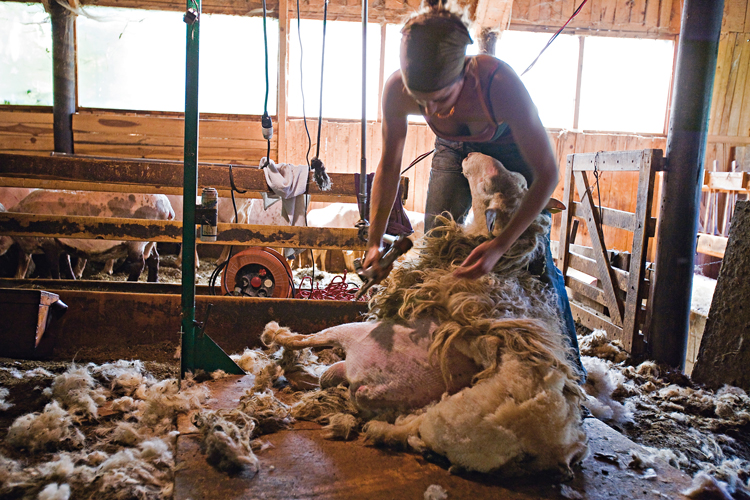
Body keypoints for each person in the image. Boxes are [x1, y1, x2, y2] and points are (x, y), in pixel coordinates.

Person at [362, 0, 584, 376]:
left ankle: (569, 372)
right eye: (421, 101)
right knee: (436, 247)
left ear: (465, 71)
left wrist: (501, 244)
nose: (430, 111)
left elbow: (547, 173)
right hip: (452, 149)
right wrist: (374, 238)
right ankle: (430, 363)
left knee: (533, 258)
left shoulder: (498, 83)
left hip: (513, 153)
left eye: (441, 98)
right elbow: (388, 165)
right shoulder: (397, 89)